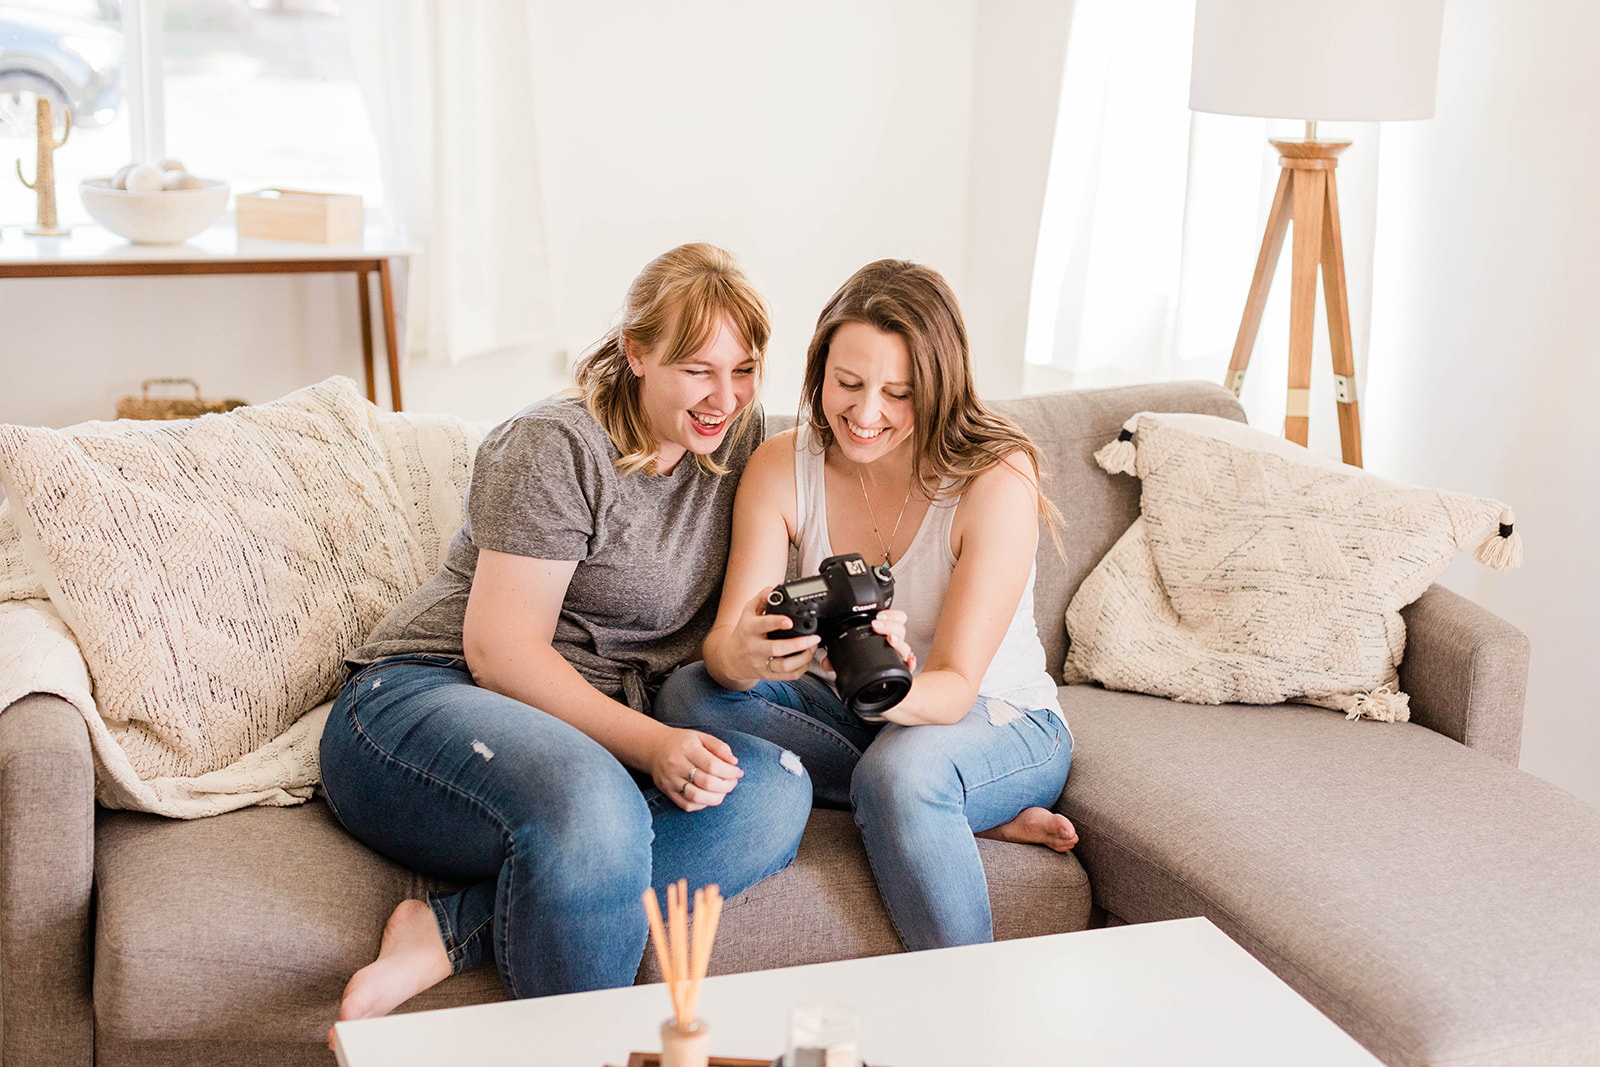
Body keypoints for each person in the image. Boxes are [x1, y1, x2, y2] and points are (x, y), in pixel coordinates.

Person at [318, 243, 813, 1032]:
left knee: (775, 788)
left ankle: (452, 928)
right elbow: (500, 653)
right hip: (424, 698)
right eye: (698, 369)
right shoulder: (556, 445)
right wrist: (653, 744)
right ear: (637, 352)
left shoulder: (743, 442)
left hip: (584, 741)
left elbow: (865, 459)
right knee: (596, 808)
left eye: (745, 368)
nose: (725, 397)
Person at [655, 259, 1076, 952]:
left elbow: (952, 688)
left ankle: (964, 1009)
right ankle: (947, 810)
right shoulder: (782, 466)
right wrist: (752, 650)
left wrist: (886, 684)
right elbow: (724, 649)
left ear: (938, 388)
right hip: (855, 708)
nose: (866, 412)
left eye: (898, 392)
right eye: (847, 383)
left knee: (901, 775)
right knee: (691, 698)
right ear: (820, 369)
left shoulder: (995, 478)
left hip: (993, 716)